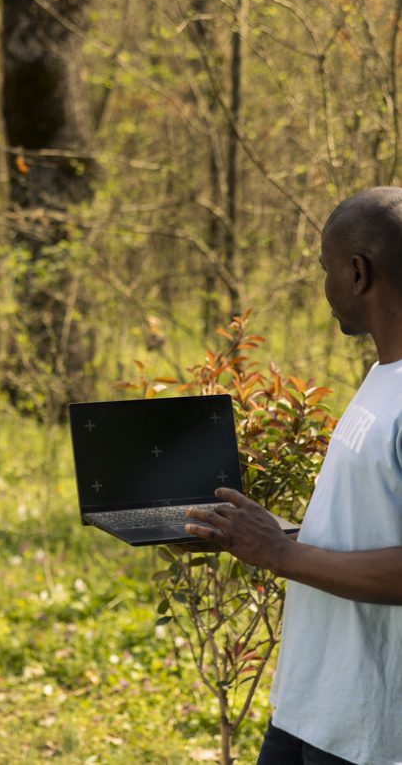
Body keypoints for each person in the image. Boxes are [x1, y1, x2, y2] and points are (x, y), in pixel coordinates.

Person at [185, 187, 402, 765]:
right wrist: (260, 534)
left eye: (326, 270)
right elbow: (369, 529)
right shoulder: (384, 375)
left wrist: (279, 555)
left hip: (375, 729)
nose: (324, 287)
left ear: (357, 272)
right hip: (313, 704)